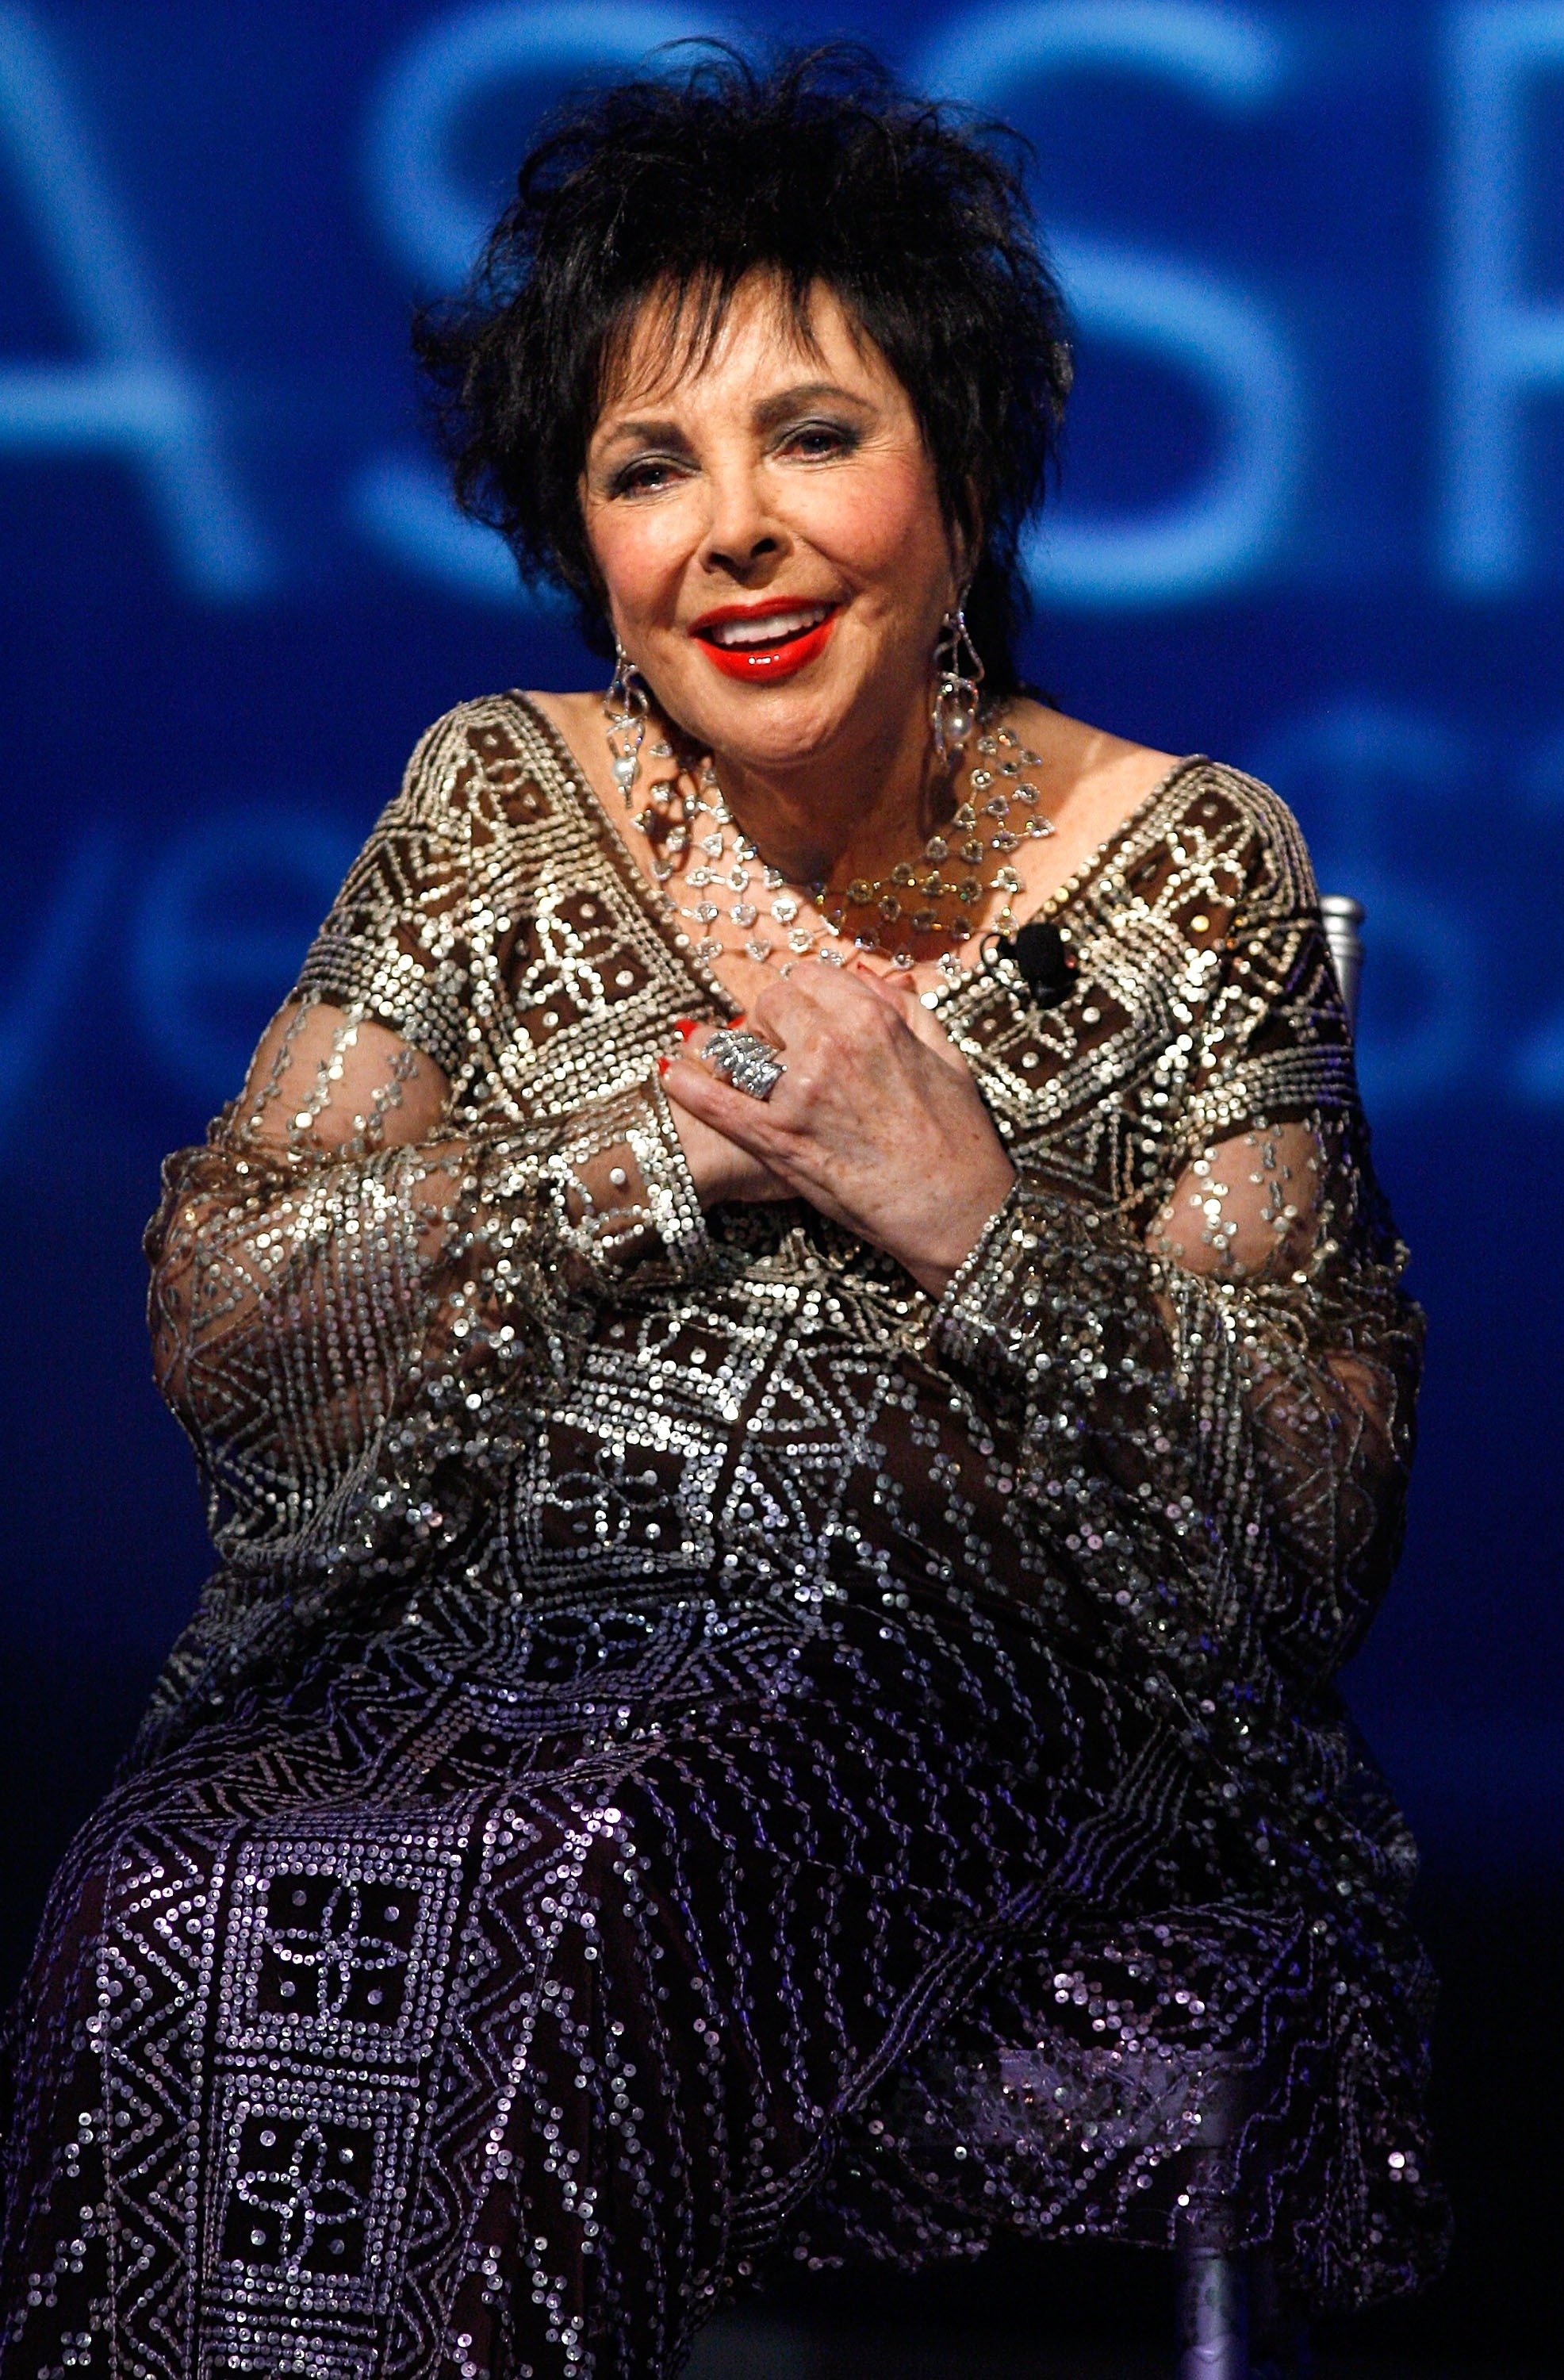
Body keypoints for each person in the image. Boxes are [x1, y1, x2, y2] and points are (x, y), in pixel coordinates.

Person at [0, 46, 1447, 2380]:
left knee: (571, 1867)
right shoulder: (498, 795)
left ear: (959, 477)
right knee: (161, 1881)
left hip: (972, 1715)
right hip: (458, 1681)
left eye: (811, 434)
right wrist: (620, 1162)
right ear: (588, 548)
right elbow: (234, 1327)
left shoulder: (1193, 863)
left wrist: (975, 1219)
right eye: (643, 469)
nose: (731, 532)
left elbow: (1313, 1516)